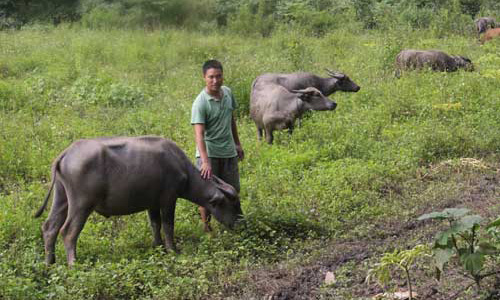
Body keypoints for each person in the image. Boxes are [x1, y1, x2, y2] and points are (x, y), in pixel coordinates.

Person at [191, 59, 244, 232]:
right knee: (208, 194)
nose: (215, 81)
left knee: (232, 190)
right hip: (209, 155)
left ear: (223, 76)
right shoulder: (200, 103)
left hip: (228, 152)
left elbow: (231, 119)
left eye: (219, 76)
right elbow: (199, 135)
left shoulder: (228, 93)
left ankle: (234, 223)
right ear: (204, 78)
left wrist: (237, 143)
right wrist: (205, 162)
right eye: (211, 77)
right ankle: (207, 227)